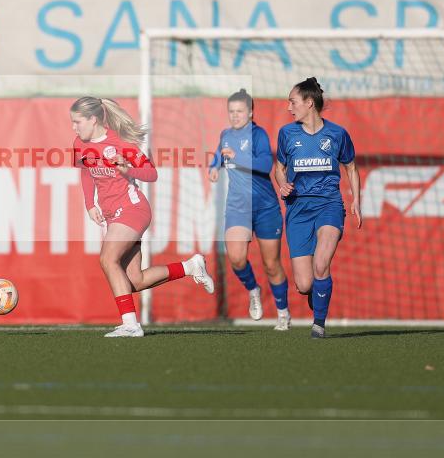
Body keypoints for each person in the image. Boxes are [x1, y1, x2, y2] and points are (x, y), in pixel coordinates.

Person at [71, 97, 214, 338]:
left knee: (107, 259)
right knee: (134, 281)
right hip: (112, 214)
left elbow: (151, 173)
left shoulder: (121, 142)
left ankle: (130, 325)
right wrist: (89, 204)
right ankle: (190, 267)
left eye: (77, 122)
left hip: (132, 209)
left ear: (93, 119)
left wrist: (127, 168)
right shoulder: (78, 143)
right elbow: (86, 172)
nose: (74, 127)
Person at [274, 78, 361, 338]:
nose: (289, 107)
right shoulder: (287, 134)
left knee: (322, 264)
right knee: (303, 284)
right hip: (298, 209)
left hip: (329, 204)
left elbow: (352, 168)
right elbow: (279, 169)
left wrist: (356, 199)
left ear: (309, 103)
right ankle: (316, 293)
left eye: (293, 101)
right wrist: (283, 185)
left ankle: (318, 324)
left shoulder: (337, 134)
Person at [207, 89, 289, 331]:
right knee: (236, 257)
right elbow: (219, 155)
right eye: (231, 112)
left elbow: (265, 165)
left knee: (271, 264)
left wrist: (238, 156)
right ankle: (253, 290)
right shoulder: (226, 135)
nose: (235, 116)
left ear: (251, 113)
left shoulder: (258, 135)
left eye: (240, 111)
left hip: (265, 207)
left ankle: (283, 313)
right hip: (238, 207)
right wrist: (214, 166)